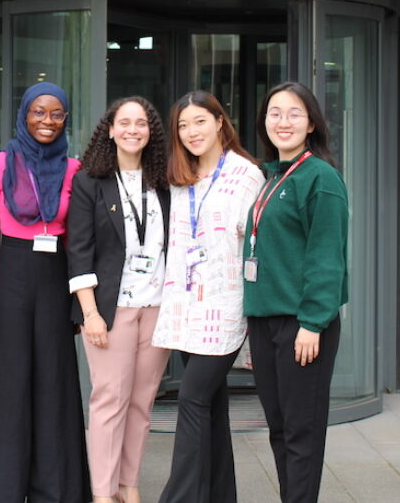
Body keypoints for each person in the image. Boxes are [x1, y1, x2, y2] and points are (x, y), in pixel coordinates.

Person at [0, 82, 91, 503]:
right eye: (39, 112)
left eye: (56, 113)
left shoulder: (74, 168)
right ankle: (2, 488)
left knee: (54, 383)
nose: (47, 121)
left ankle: (55, 490)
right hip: (10, 276)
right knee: (8, 382)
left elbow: (79, 238)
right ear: (24, 114)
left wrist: (79, 301)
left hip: (55, 275)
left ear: (65, 119)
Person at [152, 90, 265, 503]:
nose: (191, 131)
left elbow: (255, 246)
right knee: (211, 408)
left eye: (200, 121)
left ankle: (178, 498)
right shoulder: (180, 175)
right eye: (183, 125)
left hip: (225, 305)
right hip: (184, 308)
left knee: (192, 398)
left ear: (220, 121)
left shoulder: (247, 175)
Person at [245, 81, 349, 503]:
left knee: (301, 431)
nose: (282, 121)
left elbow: (326, 258)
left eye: (293, 114)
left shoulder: (320, 178)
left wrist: (312, 323)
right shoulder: (271, 176)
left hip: (303, 325)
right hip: (266, 321)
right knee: (279, 428)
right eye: (274, 113)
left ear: (311, 124)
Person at [67, 97, 171, 503]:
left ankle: (129, 484)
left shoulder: (164, 180)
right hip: (110, 311)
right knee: (109, 400)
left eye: (140, 123)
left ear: (150, 132)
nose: (132, 130)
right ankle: (103, 492)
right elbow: (78, 250)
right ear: (109, 129)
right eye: (123, 122)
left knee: (142, 403)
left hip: (157, 308)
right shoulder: (89, 180)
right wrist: (89, 312)